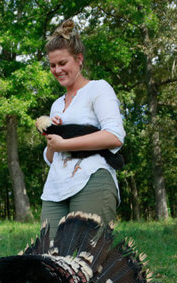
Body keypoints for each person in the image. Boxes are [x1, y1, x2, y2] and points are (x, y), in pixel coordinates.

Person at [40, 19, 126, 238]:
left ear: (79, 60)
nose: (57, 70)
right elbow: (51, 156)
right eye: (52, 65)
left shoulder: (98, 89)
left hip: (92, 178)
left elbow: (114, 136)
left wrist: (65, 143)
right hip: (56, 187)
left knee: (90, 257)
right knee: (48, 260)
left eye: (62, 63)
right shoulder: (56, 104)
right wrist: (53, 138)